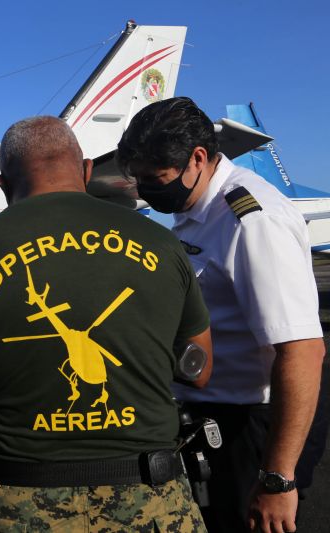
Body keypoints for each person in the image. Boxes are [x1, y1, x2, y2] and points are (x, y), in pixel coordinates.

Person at [0, 116, 212, 532]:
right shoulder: (162, 244)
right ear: (88, 170)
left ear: (2, 185)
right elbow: (199, 371)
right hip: (155, 501)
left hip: (21, 505)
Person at [116, 96, 326, 533]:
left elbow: (303, 351)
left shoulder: (251, 220)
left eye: (155, 178)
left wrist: (277, 478)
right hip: (215, 414)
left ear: (198, 158)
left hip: (258, 425)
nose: (145, 191)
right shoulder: (199, 209)